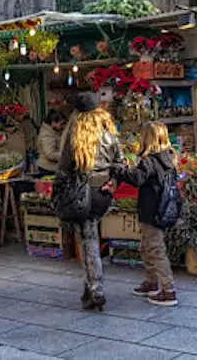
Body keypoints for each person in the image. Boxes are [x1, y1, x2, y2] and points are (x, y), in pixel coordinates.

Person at [56, 92, 124, 312]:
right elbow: (120, 164)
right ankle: (89, 289)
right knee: (90, 236)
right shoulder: (110, 134)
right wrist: (112, 182)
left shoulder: (75, 136)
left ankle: (96, 287)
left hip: (82, 192)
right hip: (102, 193)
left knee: (87, 241)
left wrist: (57, 191)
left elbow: (65, 168)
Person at [112, 122, 178, 307]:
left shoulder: (150, 161)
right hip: (162, 209)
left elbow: (137, 178)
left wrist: (120, 170)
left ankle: (168, 290)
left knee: (155, 249)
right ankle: (151, 282)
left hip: (151, 210)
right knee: (147, 246)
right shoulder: (168, 158)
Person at [36, 110, 67, 175]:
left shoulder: (52, 132)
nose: (63, 126)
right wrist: (65, 156)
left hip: (50, 168)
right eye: (61, 124)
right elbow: (50, 154)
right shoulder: (47, 135)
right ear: (53, 123)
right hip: (48, 169)